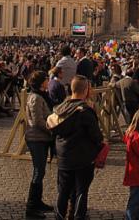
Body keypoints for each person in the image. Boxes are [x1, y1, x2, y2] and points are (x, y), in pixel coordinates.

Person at [49, 74, 104, 220]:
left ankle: (59, 216)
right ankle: (78, 216)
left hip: (63, 155)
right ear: (86, 90)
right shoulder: (85, 111)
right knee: (81, 191)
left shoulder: (60, 109)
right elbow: (96, 135)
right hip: (82, 156)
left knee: (63, 191)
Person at [25, 70, 53, 218]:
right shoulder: (35, 97)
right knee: (38, 171)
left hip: (42, 138)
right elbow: (37, 120)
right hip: (36, 138)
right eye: (46, 79)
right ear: (42, 82)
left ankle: (38, 201)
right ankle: (31, 206)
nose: (49, 81)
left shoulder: (42, 95)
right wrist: (51, 128)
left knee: (41, 171)